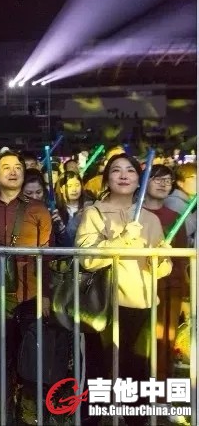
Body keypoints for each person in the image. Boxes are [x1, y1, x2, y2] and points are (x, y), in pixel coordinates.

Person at [75, 153, 171, 426]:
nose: (124, 175)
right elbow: (87, 259)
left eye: (130, 170)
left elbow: (161, 269)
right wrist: (121, 239)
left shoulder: (150, 219)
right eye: (116, 170)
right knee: (99, 373)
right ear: (107, 179)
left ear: (139, 179)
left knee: (137, 374)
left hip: (143, 304)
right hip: (106, 305)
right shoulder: (94, 213)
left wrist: (161, 259)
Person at [0, 151, 53, 424]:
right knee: (0, 352)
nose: (13, 171)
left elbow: (46, 254)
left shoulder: (38, 209)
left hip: (32, 292)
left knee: (31, 352)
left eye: (18, 167)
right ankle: (5, 411)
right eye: (6, 167)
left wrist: (45, 294)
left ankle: (28, 407)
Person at [143, 165, 189, 380]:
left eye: (168, 180)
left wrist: (184, 296)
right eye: (157, 179)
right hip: (138, 290)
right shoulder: (133, 214)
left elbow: (180, 260)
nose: (163, 184)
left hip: (169, 290)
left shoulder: (177, 217)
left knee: (164, 345)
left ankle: (160, 392)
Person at [164, 162, 196, 247]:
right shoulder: (174, 202)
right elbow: (183, 232)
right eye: (194, 177)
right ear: (180, 183)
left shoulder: (186, 201)